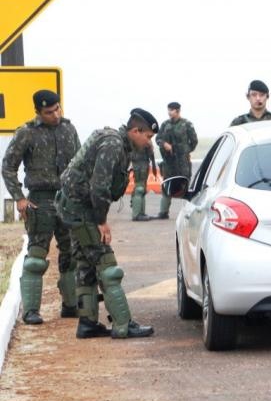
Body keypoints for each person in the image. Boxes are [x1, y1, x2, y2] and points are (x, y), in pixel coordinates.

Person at [56, 108, 158, 339]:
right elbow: (99, 187)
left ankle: (87, 324)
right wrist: (101, 221)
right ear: (135, 130)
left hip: (73, 207)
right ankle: (123, 324)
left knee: (85, 266)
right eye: (147, 137)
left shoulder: (118, 143)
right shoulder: (113, 145)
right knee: (107, 266)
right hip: (83, 211)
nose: (148, 142)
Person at [2, 90, 81, 325]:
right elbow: (8, 167)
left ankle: (70, 304)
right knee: (36, 257)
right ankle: (31, 311)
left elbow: (79, 163)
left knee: (71, 254)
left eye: (58, 109)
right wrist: (19, 198)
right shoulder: (26, 133)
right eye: (49, 112)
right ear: (38, 112)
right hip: (41, 200)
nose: (55, 115)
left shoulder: (69, 129)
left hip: (67, 199)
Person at [155, 102, 198, 219]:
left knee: (185, 186)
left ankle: (189, 213)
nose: (169, 112)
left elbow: (194, 141)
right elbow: (158, 139)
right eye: (168, 110)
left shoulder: (187, 124)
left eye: (172, 110)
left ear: (178, 111)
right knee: (167, 185)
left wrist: (185, 151)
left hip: (182, 162)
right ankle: (163, 212)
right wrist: (164, 144)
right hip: (169, 162)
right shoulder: (165, 125)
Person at [130, 142, 156, 222]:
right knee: (139, 189)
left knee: (142, 189)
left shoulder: (139, 135)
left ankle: (140, 213)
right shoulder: (138, 136)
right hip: (139, 165)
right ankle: (137, 214)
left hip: (142, 163)